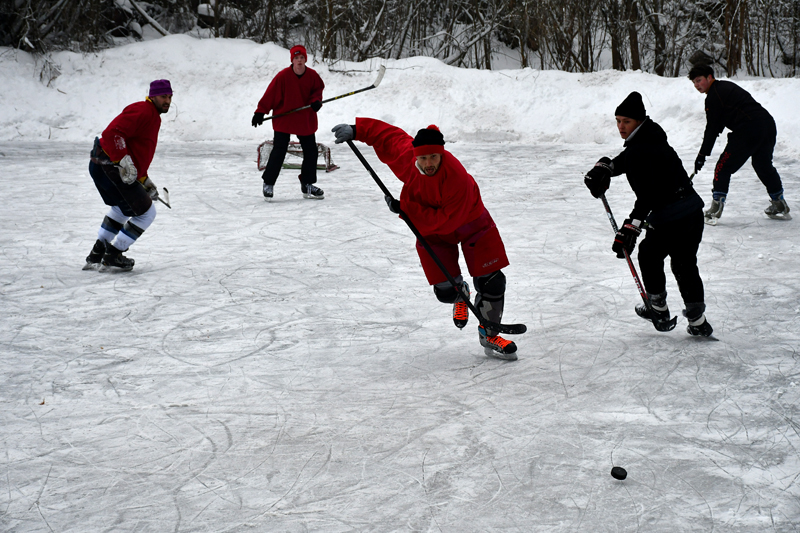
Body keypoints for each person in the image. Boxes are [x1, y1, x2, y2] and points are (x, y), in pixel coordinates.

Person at [331, 119, 520, 360]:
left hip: (471, 223)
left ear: (441, 154)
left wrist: (406, 210)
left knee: (492, 281)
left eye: (433, 157)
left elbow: (446, 221)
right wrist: (358, 130)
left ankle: (490, 335)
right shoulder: (409, 160)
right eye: (423, 158)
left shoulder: (457, 179)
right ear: (416, 157)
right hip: (430, 229)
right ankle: (460, 293)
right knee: (445, 291)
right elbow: (390, 137)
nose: (428, 163)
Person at [584, 91, 714, 337]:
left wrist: (630, 227)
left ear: (639, 121)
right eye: (618, 121)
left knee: (650, 255)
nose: (621, 126)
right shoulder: (650, 136)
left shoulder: (642, 148)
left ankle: (658, 308)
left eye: (627, 121)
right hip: (691, 212)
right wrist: (608, 167)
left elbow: (648, 196)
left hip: (671, 217)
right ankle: (697, 320)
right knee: (684, 263)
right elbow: (629, 159)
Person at [83, 79, 172, 272]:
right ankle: (113, 255)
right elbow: (113, 133)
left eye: (169, 96)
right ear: (152, 96)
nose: (167, 101)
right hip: (110, 167)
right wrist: (122, 159)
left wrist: (144, 180)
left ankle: (97, 253)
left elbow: (138, 152)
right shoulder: (143, 110)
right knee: (146, 213)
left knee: (122, 208)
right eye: (163, 96)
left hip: (104, 166)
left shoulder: (152, 116)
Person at [688, 64, 790, 222]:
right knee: (763, 165)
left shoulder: (714, 95)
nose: (696, 85)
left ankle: (715, 208)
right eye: (694, 82)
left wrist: (702, 155)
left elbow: (712, 128)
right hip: (767, 124)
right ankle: (779, 203)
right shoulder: (724, 87)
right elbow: (719, 123)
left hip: (748, 129)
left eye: (699, 80)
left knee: (723, 167)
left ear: (709, 77)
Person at [252, 45, 325, 200]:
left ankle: (307, 184)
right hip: (284, 117)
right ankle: (268, 183)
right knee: (279, 150)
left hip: (304, 117)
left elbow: (317, 91)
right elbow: (270, 95)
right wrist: (260, 112)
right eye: (296, 58)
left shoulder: (312, 76)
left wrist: (316, 101)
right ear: (292, 60)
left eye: (302, 58)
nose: (299, 61)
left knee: (311, 150)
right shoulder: (283, 76)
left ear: (305, 59)